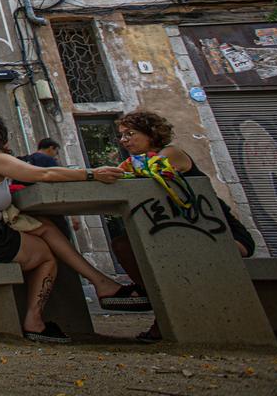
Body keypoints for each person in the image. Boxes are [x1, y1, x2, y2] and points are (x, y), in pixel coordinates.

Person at [0, 111, 150, 343]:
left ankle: (103, 283)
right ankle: (35, 321)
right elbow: (43, 173)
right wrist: (91, 173)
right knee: (46, 257)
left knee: (45, 226)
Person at [110, 110, 256, 342]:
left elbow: (149, 168)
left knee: (175, 255)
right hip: (177, 236)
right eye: (122, 135)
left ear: (151, 134)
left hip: (221, 235)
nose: (124, 140)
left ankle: (172, 317)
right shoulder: (133, 163)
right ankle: (156, 298)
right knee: (122, 245)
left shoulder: (171, 154)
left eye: (130, 133)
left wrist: (115, 172)